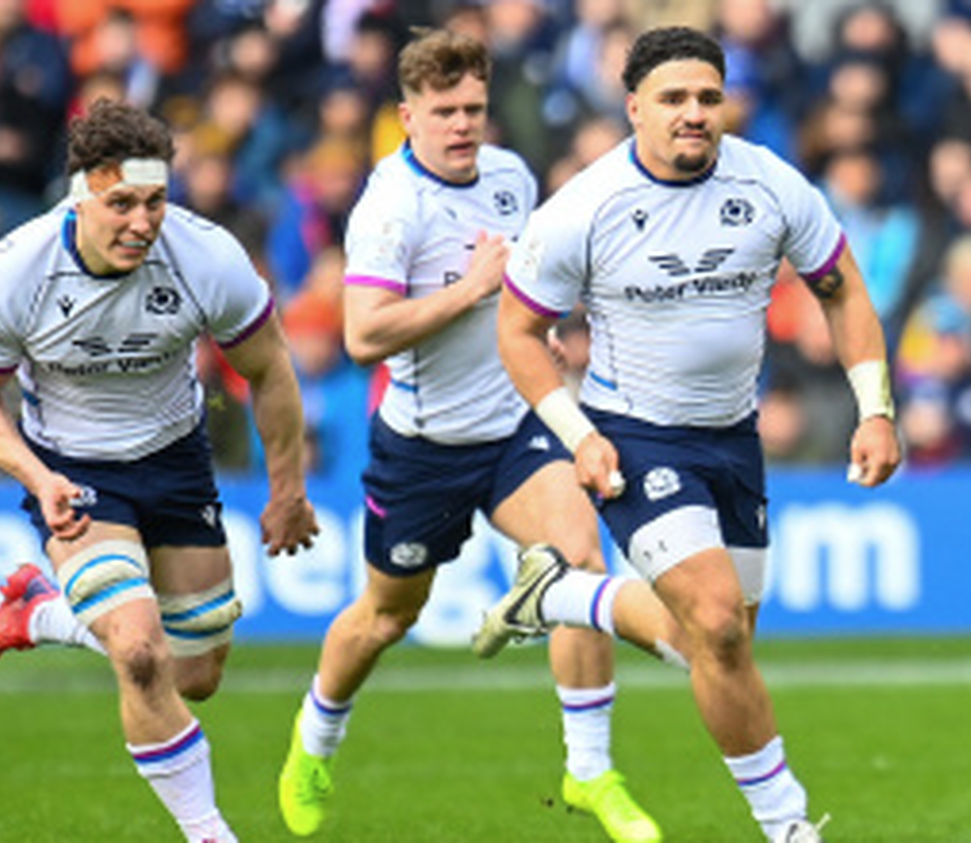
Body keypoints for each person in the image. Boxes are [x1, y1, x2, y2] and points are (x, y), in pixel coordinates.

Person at [489, 26, 902, 843]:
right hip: (634, 434)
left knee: (720, 644)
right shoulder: (584, 207)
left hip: (732, 438)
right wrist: (578, 434)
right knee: (713, 620)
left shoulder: (772, 183)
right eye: (674, 99)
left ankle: (563, 595)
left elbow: (842, 289)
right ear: (633, 106)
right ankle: (788, 826)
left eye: (708, 97)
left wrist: (876, 406)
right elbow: (517, 332)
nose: (694, 113)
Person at [275, 28, 683, 843]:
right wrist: (470, 290)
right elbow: (364, 336)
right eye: (445, 111)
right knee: (384, 618)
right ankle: (313, 743)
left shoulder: (509, 176)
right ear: (407, 116)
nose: (463, 125)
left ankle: (591, 770)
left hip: (514, 429)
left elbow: (525, 282)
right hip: (423, 447)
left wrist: (540, 326)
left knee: (583, 560)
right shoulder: (390, 209)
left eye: (474, 109)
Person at [0, 97, 320, 842]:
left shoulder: (207, 256)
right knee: (137, 650)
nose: (141, 221)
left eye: (155, 200)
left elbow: (270, 369)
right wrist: (38, 479)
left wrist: (287, 486)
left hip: (176, 460)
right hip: (73, 470)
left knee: (196, 674)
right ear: (79, 194)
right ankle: (210, 833)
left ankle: (38, 612)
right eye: (120, 202)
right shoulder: (11, 273)